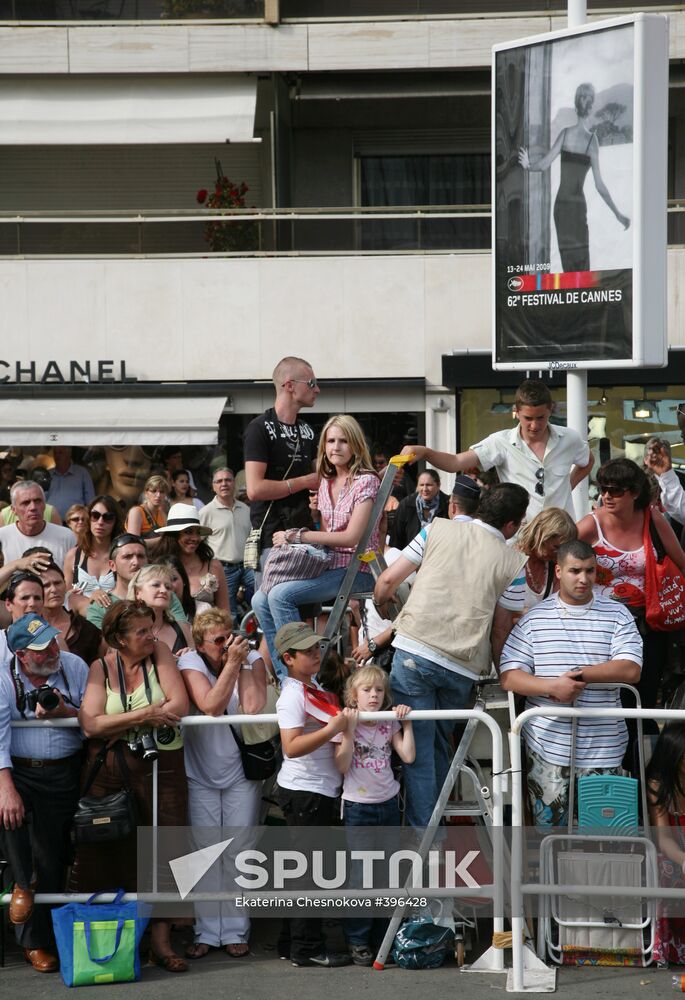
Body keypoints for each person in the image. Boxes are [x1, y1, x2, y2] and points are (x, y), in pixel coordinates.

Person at [373, 482, 529, 827]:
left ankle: (425, 838)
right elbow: (501, 630)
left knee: (419, 751)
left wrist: (383, 607)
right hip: (464, 664)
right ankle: (435, 832)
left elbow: (386, 582)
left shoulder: (436, 529)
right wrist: (505, 674)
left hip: (415, 649)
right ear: (512, 525)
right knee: (441, 747)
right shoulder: (515, 563)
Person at [75, 600, 190, 972]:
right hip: (111, 768)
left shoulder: (160, 655)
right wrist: (144, 715)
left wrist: (119, 721)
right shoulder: (100, 667)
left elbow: (180, 705)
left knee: (168, 849)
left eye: (151, 627)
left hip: (164, 766)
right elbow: (90, 725)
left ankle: (161, 939)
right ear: (119, 639)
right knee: (113, 847)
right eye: (141, 631)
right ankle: (124, 937)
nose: (151, 636)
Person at [500, 540, 642, 827]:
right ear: (559, 570)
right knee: (549, 837)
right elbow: (509, 675)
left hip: (606, 749)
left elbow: (630, 670)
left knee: (606, 839)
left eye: (590, 571)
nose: (583, 578)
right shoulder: (534, 619)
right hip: (547, 748)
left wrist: (579, 676)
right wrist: (552, 687)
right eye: (575, 571)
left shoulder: (617, 614)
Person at [252, 414, 381, 680]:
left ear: (356, 445)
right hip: (328, 564)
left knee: (279, 596)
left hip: (359, 567)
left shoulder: (366, 481)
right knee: (258, 598)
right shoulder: (326, 481)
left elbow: (351, 538)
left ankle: (301, 677)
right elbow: (327, 533)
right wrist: (312, 521)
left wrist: (300, 536)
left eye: (343, 441)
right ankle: (286, 675)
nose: (336, 447)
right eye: (331, 441)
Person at [0, 614, 89, 973]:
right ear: (21, 655)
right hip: (18, 768)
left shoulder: (74, 665)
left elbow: (93, 721)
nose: (53, 650)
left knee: (53, 856)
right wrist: (5, 786)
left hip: (63, 771)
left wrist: (65, 711)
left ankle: (43, 936)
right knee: (9, 814)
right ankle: (24, 887)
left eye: (53, 641)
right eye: (42, 648)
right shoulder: (4, 675)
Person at [178, 609, 267, 959]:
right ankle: (206, 931)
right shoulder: (191, 664)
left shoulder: (252, 658)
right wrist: (231, 663)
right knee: (202, 853)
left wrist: (242, 662)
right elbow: (211, 705)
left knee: (238, 851)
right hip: (199, 772)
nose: (226, 644)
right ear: (199, 644)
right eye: (217, 640)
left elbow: (253, 705)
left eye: (229, 635)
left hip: (241, 774)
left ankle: (234, 930)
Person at [577, 458, 685, 711]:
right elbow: (559, 559)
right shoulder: (591, 524)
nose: (607, 496)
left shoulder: (652, 519)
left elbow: (681, 563)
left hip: (647, 623)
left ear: (635, 493)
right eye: (603, 488)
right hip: (599, 623)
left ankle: (639, 749)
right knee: (604, 693)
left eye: (615, 490)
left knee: (643, 696)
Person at [273, 621, 351, 968]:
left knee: (305, 871)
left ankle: (293, 943)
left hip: (311, 791)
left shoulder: (306, 687)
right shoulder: (292, 694)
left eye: (316, 648)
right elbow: (290, 747)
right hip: (306, 792)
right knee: (308, 873)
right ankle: (305, 948)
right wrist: (334, 729)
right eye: (307, 651)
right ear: (288, 658)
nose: (316, 654)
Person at [401, 379, 593, 520]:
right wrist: (425, 451)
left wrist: (567, 486)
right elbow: (455, 463)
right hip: (521, 536)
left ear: (551, 409)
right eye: (528, 418)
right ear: (516, 412)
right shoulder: (501, 442)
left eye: (541, 417)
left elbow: (587, 461)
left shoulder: (569, 438)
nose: (535, 425)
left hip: (560, 532)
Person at [334, 665, 414, 966]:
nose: (374, 695)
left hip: (388, 803)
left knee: (386, 873)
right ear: (353, 695)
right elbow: (341, 766)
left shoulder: (388, 721)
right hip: (358, 806)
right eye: (367, 690)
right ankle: (357, 939)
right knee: (360, 876)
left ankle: (384, 937)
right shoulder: (347, 721)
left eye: (379, 690)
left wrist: (407, 723)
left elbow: (407, 755)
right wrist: (350, 732)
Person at [518, 82, 630, 273]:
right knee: (581, 265)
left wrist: (528, 165)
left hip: (561, 207)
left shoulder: (565, 134)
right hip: (577, 208)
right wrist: (617, 214)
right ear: (591, 106)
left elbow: (544, 165)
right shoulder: (591, 141)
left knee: (568, 264)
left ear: (576, 105)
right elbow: (600, 186)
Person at [244, 356, 320, 577]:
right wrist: (305, 482)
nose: (317, 390)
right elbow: (255, 489)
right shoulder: (259, 428)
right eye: (312, 383)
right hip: (272, 537)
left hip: (303, 534)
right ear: (289, 385)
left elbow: (322, 474)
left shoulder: (307, 430)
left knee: (307, 608)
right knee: (272, 605)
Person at [85, 533, 189, 631]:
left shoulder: (163, 595)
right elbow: (98, 646)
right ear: (112, 565)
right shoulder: (100, 605)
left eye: (141, 556)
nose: (136, 562)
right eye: (127, 557)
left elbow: (184, 635)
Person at [646, 722, 685, 966]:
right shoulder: (658, 785)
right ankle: (673, 947)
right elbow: (663, 838)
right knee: (668, 870)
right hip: (672, 853)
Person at [154, 504, 230, 618]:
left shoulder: (214, 566)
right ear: (173, 534)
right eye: (188, 532)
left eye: (198, 532)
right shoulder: (159, 567)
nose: (195, 538)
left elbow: (225, 613)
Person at [200, 467, 254, 623]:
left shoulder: (246, 509)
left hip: (248, 566)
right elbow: (198, 544)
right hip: (223, 570)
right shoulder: (206, 512)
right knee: (227, 614)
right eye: (219, 481)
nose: (224, 484)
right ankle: (231, 644)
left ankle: (260, 633)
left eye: (228, 480)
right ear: (213, 486)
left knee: (266, 593)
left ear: (234, 483)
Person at [63, 494, 123, 614]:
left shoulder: (123, 555)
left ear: (116, 521)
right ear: (88, 518)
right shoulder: (74, 555)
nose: (100, 522)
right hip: (82, 625)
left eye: (108, 517)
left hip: (116, 622)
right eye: (95, 516)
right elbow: (65, 596)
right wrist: (89, 599)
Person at [41, 560, 106, 664]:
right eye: (46, 586)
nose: (53, 589)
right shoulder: (27, 627)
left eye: (58, 583)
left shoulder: (87, 629)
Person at [0, 481, 75, 567]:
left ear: (44, 505)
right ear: (13, 510)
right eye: (25, 503)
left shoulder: (67, 536)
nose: (33, 507)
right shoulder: (2, 537)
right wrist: (15, 565)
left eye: (37, 501)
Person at [517, 507, 577, 612]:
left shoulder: (554, 568)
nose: (560, 554)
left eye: (565, 549)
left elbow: (558, 609)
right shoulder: (514, 560)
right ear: (540, 535)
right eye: (556, 547)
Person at [128, 564, 193, 655]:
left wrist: (191, 656)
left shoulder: (182, 627)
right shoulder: (125, 629)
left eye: (168, 587)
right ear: (138, 592)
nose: (163, 590)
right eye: (156, 585)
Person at [390, 469, 450, 550]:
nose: (425, 489)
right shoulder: (406, 505)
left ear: (438, 485)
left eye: (429, 485)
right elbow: (396, 538)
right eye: (421, 485)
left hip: (438, 555)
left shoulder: (447, 504)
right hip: (410, 558)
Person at [46, 446, 95, 519]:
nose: (57, 456)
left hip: (75, 522)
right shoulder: (48, 474)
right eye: (55, 453)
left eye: (60, 453)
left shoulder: (81, 473)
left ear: (69, 454)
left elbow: (90, 501)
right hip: (50, 521)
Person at [124, 474, 169, 544]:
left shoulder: (162, 514)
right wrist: (162, 540)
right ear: (146, 493)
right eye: (154, 491)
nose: (158, 495)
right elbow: (133, 542)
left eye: (162, 492)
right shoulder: (136, 512)